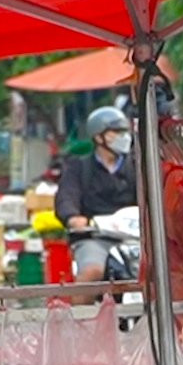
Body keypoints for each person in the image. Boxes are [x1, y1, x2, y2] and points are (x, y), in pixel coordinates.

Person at [54, 106, 141, 283]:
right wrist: (73, 217)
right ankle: (80, 310)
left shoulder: (137, 166)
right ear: (98, 137)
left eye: (124, 132)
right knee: (91, 272)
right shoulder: (79, 168)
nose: (123, 137)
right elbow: (66, 197)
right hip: (94, 237)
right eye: (115, 132)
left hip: (135, 237)